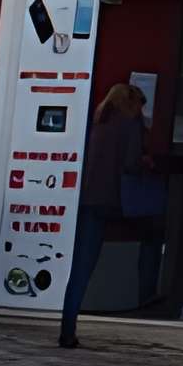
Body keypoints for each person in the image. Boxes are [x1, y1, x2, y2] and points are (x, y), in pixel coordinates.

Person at [59, 80, 148, 349]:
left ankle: (67, 328)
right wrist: (145, 162)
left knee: (80, 268)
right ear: (132, 104)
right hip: (111, 200)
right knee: (146, 241)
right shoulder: (131, 125)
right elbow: (132, 163)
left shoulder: (98, 122)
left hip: (86, 198)